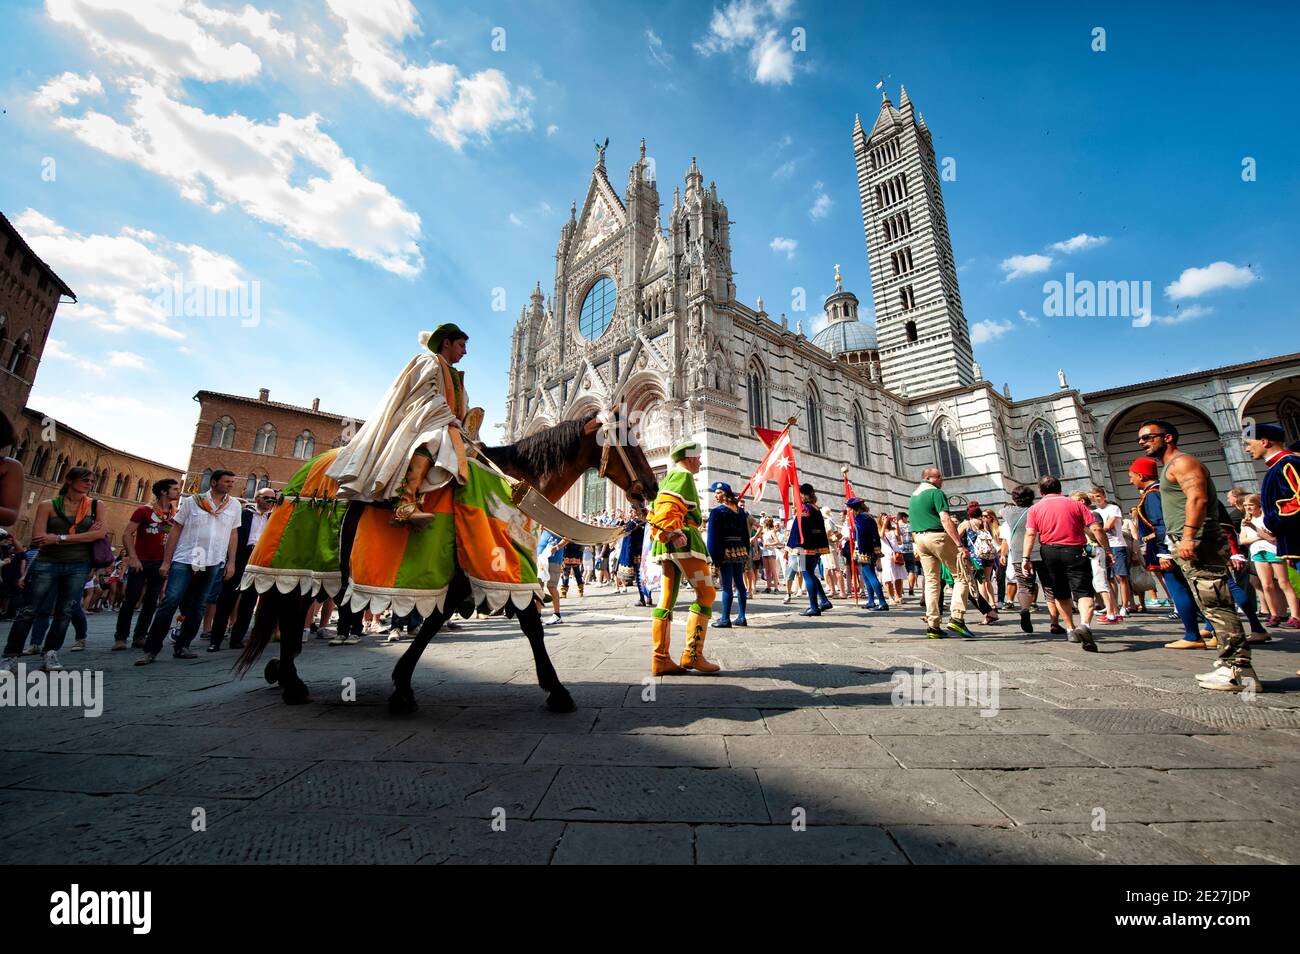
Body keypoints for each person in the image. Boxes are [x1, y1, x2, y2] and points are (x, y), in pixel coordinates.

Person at [1140, 420, 1255, 691]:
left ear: (1167, 437)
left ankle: (1237, 669)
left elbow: (1198, 499)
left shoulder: (1183, 463)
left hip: (1199, 543)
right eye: (1141, 439)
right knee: (1210, 603)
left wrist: (1190, 535)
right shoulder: (1171, 466)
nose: (1143, 442)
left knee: (1216, 602)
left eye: (1148, 437)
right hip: (1187, 541)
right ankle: (1232, 664)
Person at [2, 467, 108, 673]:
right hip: (47, 563)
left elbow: (100, 534)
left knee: (65, 611)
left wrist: (58, 538)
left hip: (79, 564)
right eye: (85, 480)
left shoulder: (96, 505)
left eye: (92, 481)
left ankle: (50, 653)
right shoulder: (47, 505)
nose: (89, 484)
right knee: (28, 610)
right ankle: (10, 656)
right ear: (69, 480)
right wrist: (84, 535)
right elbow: (39, 537)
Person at [135, 470, 242, 665]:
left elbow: (233, 534)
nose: (231, 485)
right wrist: (167, 561)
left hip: (212, 559)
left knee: (199, 604)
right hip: (186, 557)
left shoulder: (234, 505)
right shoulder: (193, 501)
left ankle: (183, 645)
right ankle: (151, 649)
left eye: (232, 482)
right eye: (227, 481)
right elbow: (176, 529)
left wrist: (231, 562)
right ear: (214, 482)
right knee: (171, 600)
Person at [648, 440, 718, 673]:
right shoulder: (683, 475)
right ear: (688, 458)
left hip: (670, 540)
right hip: (683, 540)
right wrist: (673, 532)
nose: (700, 461)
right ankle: (693, 655)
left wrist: (667, 533)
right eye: (698, 458)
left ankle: (661, 659)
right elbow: (668, 503)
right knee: (706, 593)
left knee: (667, 597)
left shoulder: (668, 476)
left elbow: (657, 504)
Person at [1021, 475, 1111, 651]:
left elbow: (1031, 534)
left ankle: (1070, 628)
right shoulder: (1076, 504)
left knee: (1060, 592)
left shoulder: (1035, 509)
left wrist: (1025, 558)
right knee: (1084, 590)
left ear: (1041, 491)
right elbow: (1097, 528)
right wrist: (1107, 550)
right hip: (1075, 550)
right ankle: (1085, 624)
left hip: (1050, 552)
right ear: (1060, 488)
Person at [1129, 456, 1205, 649]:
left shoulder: (1152, 494)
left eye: (1132, 476)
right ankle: (1207, 628)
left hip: (1165, 547)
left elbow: (1160, 523)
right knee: (1189, 587)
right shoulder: (1159, 491)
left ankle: (1192, 634)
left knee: (1178, 587)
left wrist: (1164, 553)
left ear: (1140, 475)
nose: (1131, 480)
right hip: (1170, 544)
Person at [909, 467, 976, 639]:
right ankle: (957, 617)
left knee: (932, 582)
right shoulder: (936, 493)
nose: (942, 479)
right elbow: (945, 519)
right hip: (938, 537)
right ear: (929, 478)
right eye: (938, 476)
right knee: (962, 575)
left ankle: (933, 626)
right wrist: (959, 544)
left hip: (920, 540)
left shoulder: (914, 496)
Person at [1245, 422, 1300, 627]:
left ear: (1265, 441)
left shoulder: (1288, 463)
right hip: (1290, 540)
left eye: (1249, 443)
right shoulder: (1277, 467)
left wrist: (1273, 520)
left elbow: (1297, 500)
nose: (1247, 449)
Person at [209, 486, 277, 651]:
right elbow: (231, 536)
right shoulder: (244, 514)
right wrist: (229, 561)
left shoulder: (273, 518)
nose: (270, 502)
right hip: (240, 559)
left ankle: (237, 639)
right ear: (258, 498)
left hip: (259, 561)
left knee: (249, 602)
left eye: (272, 499)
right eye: (266, 498)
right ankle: (215, 640)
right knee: (226, 600)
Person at [1239, 493, 1299, 626]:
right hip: (1257, 553)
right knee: (1266, 585)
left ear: (1259, 505)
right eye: (1245, 505)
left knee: (1283, 583)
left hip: (1273, 551)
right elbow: (1242, 540)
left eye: (1250, 505)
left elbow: (1272, 538)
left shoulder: (1266, 519)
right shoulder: (1246, 521)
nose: (1247, 508)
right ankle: (1274, 615)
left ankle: (1295, 616)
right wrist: (1258, 536)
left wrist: (1255, 529)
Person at [706, 482, 749, 627]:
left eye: (718, 492)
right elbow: (745, 534)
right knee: (739, 584)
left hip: (725, 551)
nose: (715, 496)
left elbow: (713, 538)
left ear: (725, 494)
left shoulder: (717, 512)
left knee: (726, 586)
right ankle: (742, 617)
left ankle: (725, 619)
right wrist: (746, 552)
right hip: (739, 550)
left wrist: (714, 559)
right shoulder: (741, 512)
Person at [787, 483, 833, 617]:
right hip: (814, 546)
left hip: (805, 547)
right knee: (811, 574)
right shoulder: (815, 508)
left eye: (799, 494)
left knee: (807, 574)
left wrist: (796, 544)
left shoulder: (806, 509)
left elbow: (802, 528)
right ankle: (824, 601)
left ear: (803, 494)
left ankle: (814, 607)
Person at [1000, 485, 1037, 633]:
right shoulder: (1036, 511)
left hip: (1017, 552)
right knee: (1048, 587)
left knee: (1023, 585)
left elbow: (1000, 510)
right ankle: (1055, 622)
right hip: (1039, 551)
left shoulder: (1008, 512)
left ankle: (1024, 609)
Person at [848, 498, 887, 610]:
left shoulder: (860, 518)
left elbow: (860, 535)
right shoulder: (868, 516)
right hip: (872, 548)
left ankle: (882, 602)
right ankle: (871, 600)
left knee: (871, 576)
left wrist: (859, 549)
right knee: (865, 575)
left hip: (864, 549)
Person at [618, 502, 651, 607]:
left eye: (631, 510)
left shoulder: (635, 522)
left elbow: (625, 532)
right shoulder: (645, 522)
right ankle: (648, 597)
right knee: (645, 576)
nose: (630, 512)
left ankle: (643, 599)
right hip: (645, 552)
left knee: (640, 576)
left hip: (638, 553)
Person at [896, 511, 919, 600]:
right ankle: (911, 589)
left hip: (899, 552)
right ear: (903, 518)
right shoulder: (909, 526)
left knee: (899, 572)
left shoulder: (894, 527)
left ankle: (900, 590)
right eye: (906, 518)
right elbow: (914, 538)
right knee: (911, 569)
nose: (907, 520)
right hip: (909, 550)